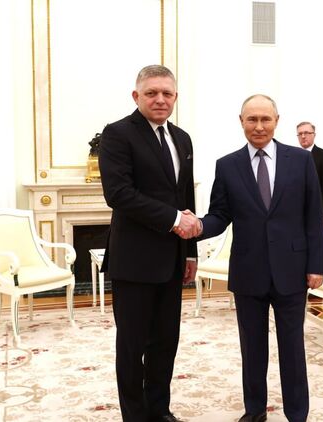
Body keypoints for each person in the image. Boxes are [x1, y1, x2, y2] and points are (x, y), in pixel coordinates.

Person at [192, 94, 323, 422]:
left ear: (277, 121)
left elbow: (313, 216)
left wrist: (316, 265)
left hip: (292, 270)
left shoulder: (301, 160)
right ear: (241, 122)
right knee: (252, 348)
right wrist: (197, 226)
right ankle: (255, 411)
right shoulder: (227, 165)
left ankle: (297, 413)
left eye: (266, 119)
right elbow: (220, 214)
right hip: (248, 270)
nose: (259, 126)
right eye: (252, 119)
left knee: (292, 347)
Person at [99, 64, 200, 422]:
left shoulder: (182, 138)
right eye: (151, 93)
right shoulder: (117, 134)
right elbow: (118, 194)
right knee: (132, 347)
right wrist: (173, 219)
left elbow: (185, 197)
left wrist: (190, 253)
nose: (160, 99)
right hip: (134, 261)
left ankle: (159, 410)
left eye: (166, 93)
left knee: (165, 343)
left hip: (172, 261)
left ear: (175, 97)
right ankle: (135, 416)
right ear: (136, 96)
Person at [296, 122, 323, 214]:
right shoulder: (293, 156)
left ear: (314, 135)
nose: (303, 136)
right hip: (296, 208)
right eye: (300, 134)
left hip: (316, 208)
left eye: (306, 133)